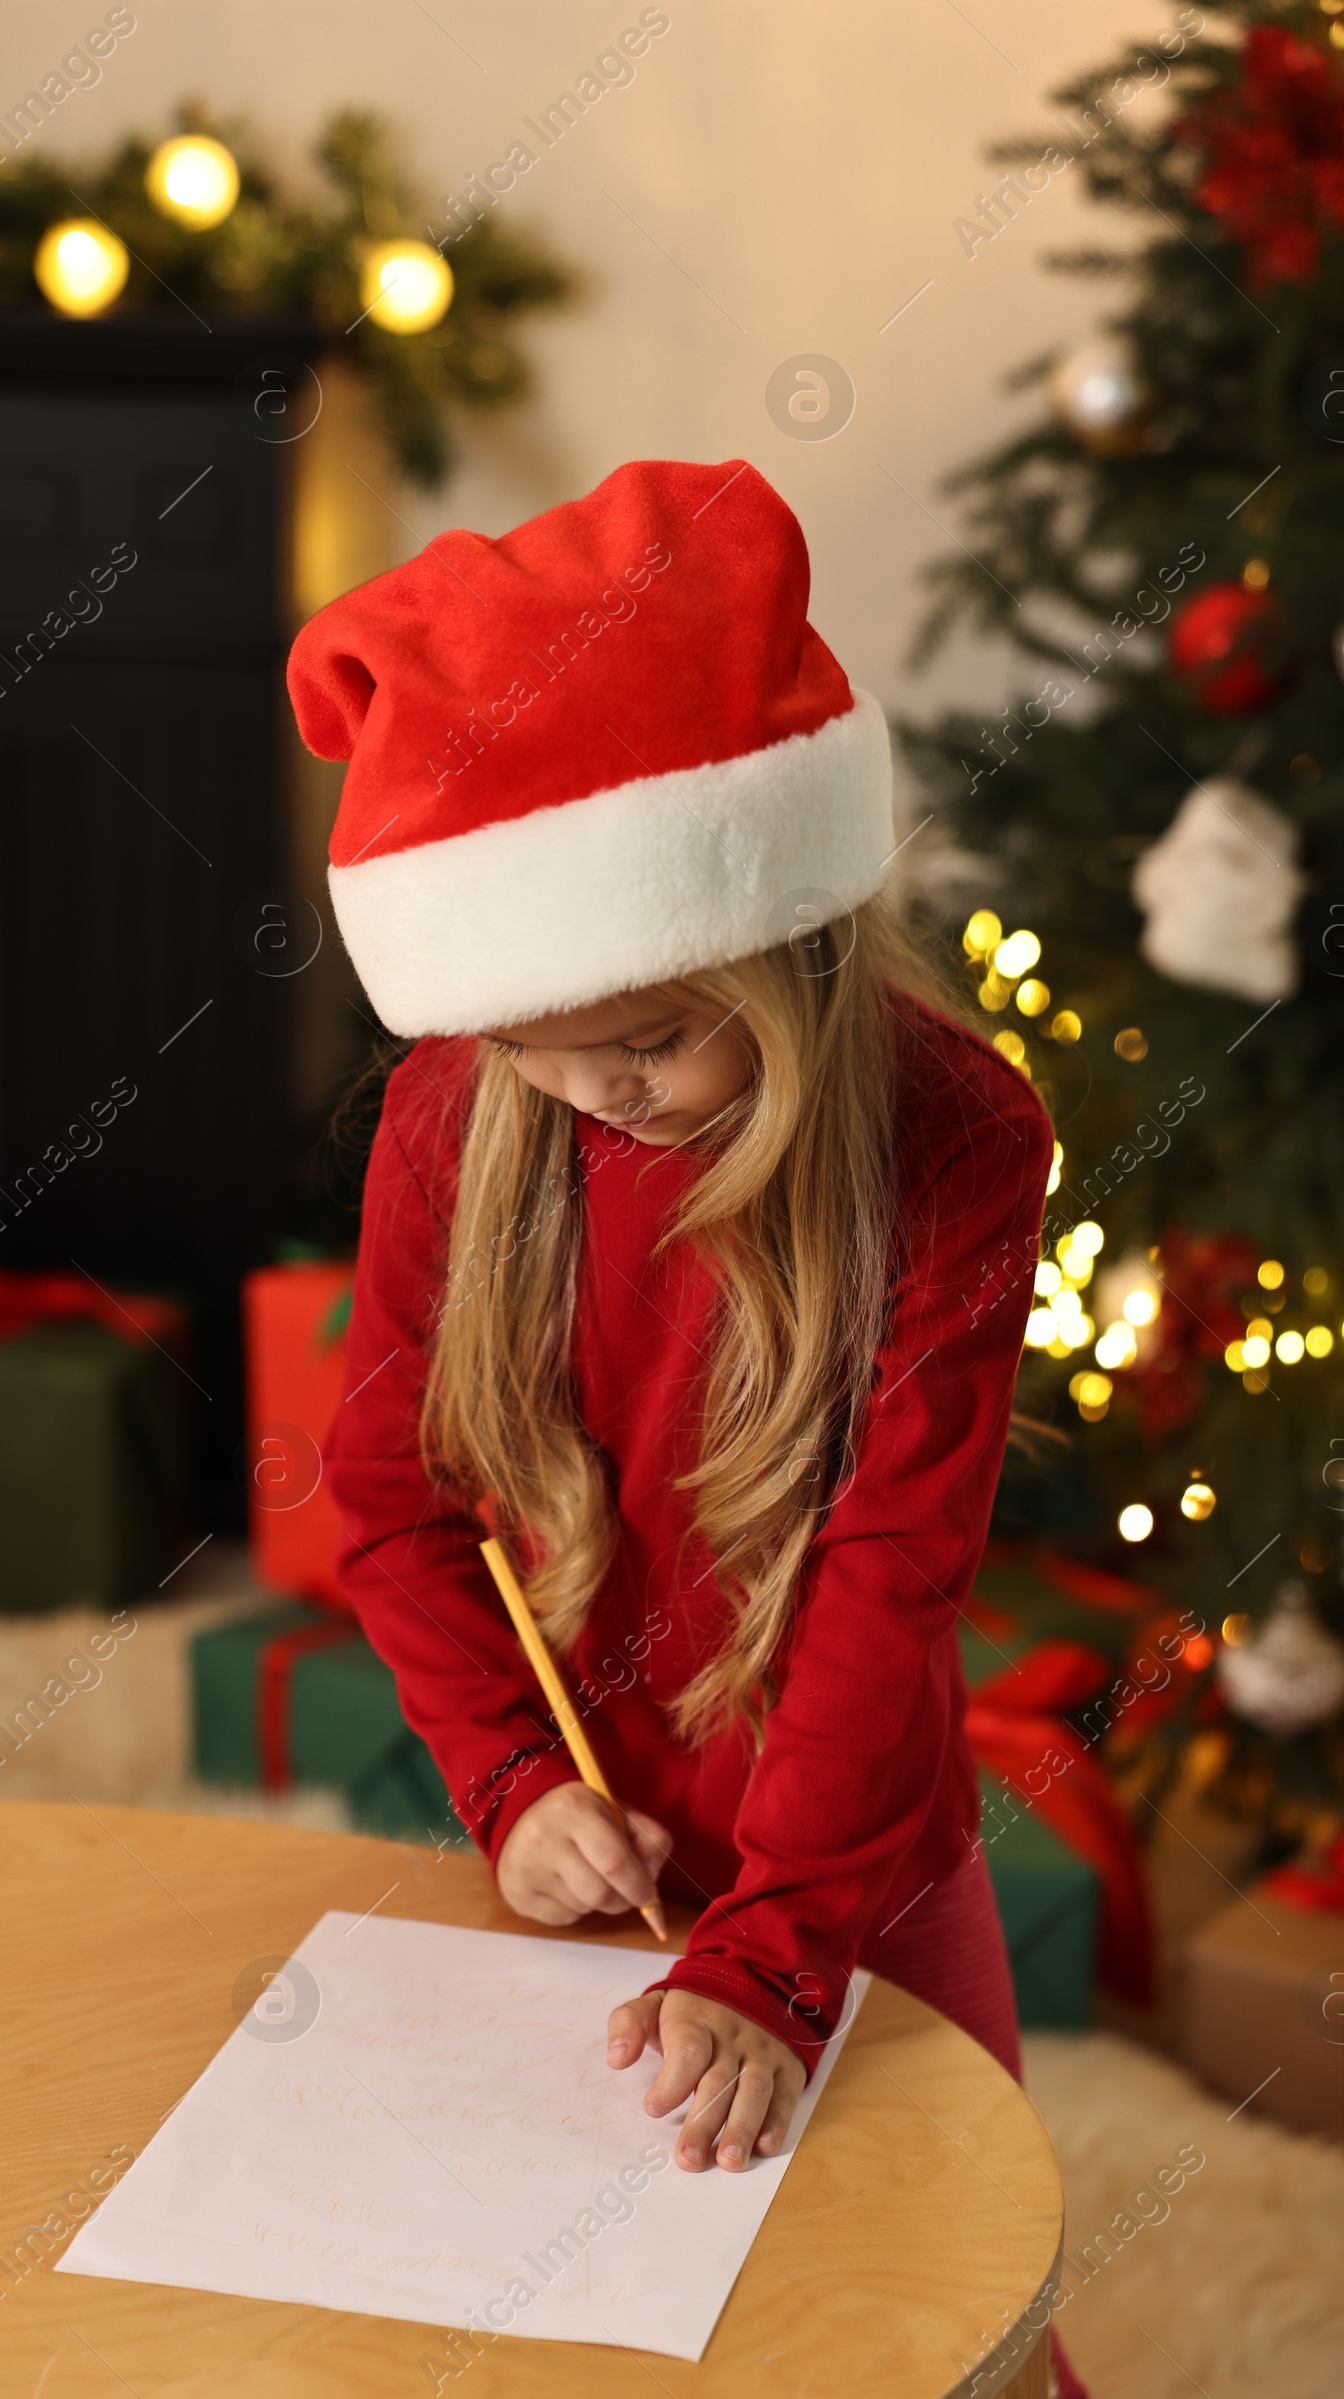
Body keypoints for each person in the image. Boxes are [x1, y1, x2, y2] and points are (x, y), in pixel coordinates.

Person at [289, 458, 1084, 2398]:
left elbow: (884, 1586)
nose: (596, 1101)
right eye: (536, 1054)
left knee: (934, 2308)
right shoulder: (462, 1119)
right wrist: (505, 1788)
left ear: (782, 934)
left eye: (647, 1038)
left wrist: (769, 1951)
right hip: (584, 1832)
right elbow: (381, 1502)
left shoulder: (953, 1142)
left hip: (848, 1852)